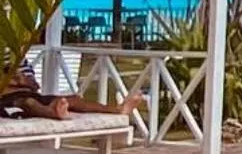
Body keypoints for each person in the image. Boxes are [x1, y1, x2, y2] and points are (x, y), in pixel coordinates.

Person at [0, 61, 143, 124]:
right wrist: (12, 81)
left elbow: (34, 85)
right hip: (7, 99)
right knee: (28, 103)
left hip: (30, 93)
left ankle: (117, 109)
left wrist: (22, 80)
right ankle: (53, 113)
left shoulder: (21, 60)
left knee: (73, 99)